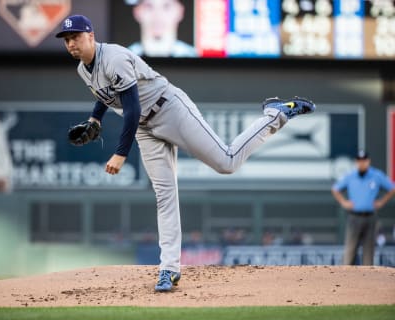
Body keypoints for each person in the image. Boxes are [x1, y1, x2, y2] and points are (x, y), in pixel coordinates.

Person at [55, 15, 315, 292]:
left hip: (169, 109)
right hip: (145, 128)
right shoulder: (84, 69)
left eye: (76, 37)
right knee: (164, 195)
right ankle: (169, 269)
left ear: (91, 36)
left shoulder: (115, 57)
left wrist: (121, 153)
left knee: (226, 162)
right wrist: (95, 119)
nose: (71, 43)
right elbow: (106, 94)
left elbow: (131, 109)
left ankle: (274, 114)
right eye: (67, 40)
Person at [332, 150, 395, 265]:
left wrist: (381, 202)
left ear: (368, 161)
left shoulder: (376, 175)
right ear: (356, 162)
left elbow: (392, 188)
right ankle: (344, 279)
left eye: (364, 160)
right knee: (350, 251)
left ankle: (367, 281)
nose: (362, 163)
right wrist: (344, 202)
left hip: (370, 217)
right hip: (354, 217)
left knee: (369, 251)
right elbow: (335, 189)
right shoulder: (350, 176)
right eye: (359, 161)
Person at [126, 0, 197, 57]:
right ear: (137, 12)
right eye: (149, 6)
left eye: (166, 6)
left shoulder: (193, 54)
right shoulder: (124, 58)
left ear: (180, 11)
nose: (157, 15)